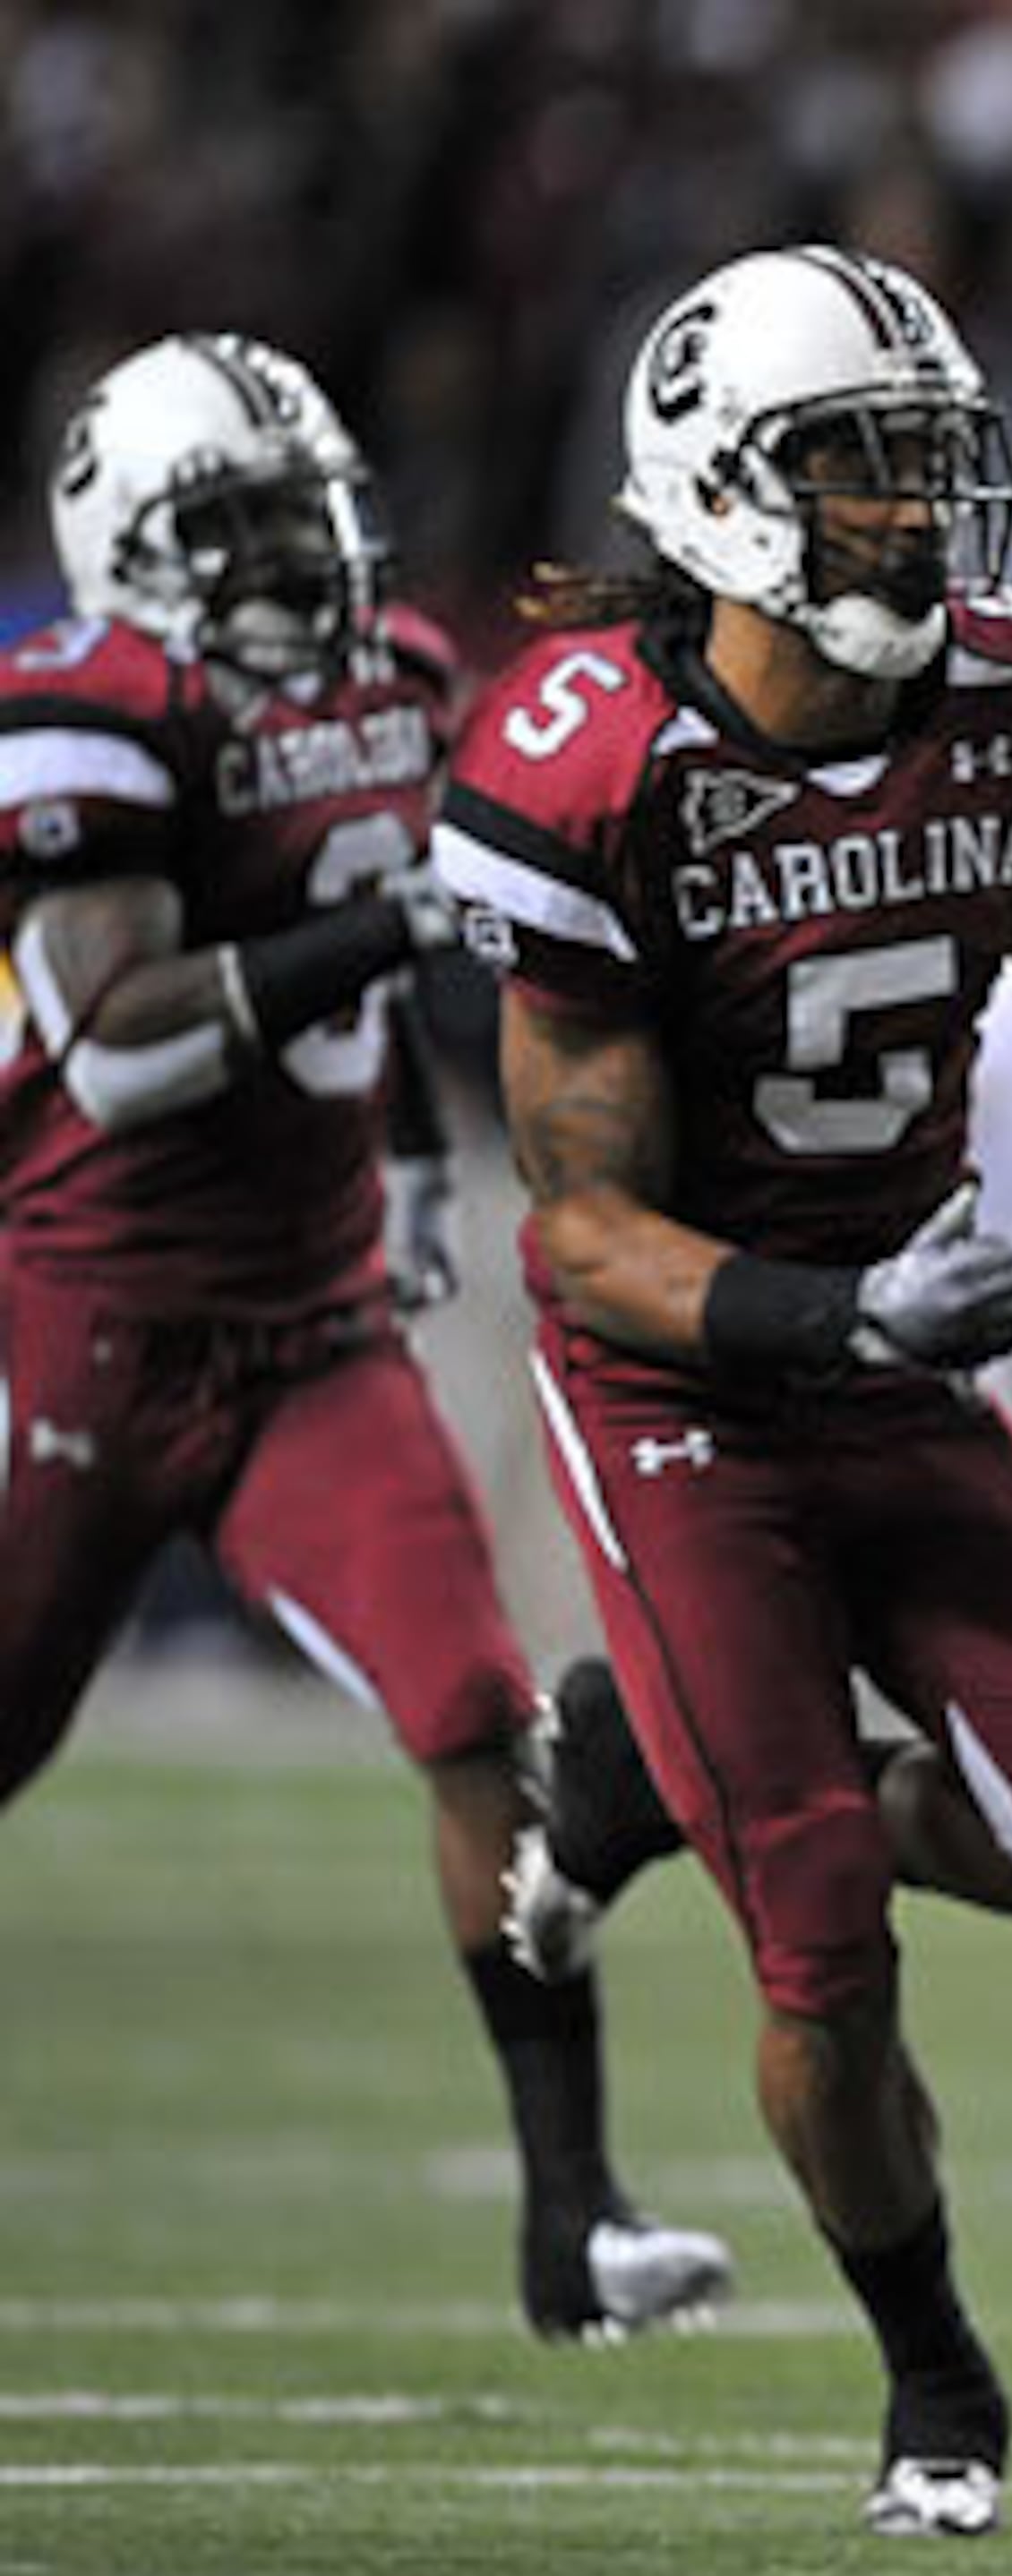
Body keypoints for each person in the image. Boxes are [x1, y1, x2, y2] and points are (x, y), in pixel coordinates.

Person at [433, 244, 1012, 2538]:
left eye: (930, 463)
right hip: (689, 1381)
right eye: (858, 469)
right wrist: (838, 1326)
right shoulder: (595, 765)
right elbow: (587, 1234)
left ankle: (659, 1771)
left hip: (898, 1361)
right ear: (722, 497)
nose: (917, 518)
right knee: (821, 1927)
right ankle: (937, 2376)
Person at [0, 331, 732, 2341]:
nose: (290, 563)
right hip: (76, 1320)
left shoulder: (396, 673)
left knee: (477, 1715)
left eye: (299, 513)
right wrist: (394, 921)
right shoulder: (79, 712)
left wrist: (412, 1140)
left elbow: (387, 957)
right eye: (234, 528)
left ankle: (571, 2216)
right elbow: (120, 1040)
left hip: (313, 1328)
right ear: (122, 547)